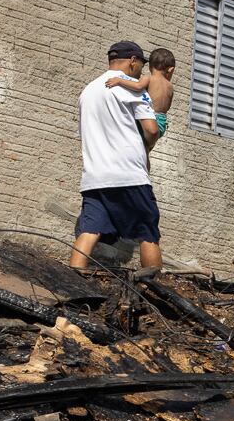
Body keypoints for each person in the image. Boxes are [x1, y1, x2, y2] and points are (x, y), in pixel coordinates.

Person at [69, 41, 165, 271]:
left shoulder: (88, 90)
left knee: (90, 230)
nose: (141, 71)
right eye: (141, 65)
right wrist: (148, 147)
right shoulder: (132, 86)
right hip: (128, 175)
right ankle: (155, 292)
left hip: (94, 177)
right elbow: (151, 129)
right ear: (133, 61)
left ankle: (73, 281)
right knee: (147, 233)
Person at [103, 47, 177, 140]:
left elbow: (137, 86)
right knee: (147, 145)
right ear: (170, 69)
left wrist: (119, 81)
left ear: (150, 66)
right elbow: (167, 106)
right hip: (162, 122)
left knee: (137, 140)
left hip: (150, 120)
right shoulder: (170, 86)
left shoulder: (149, 78)